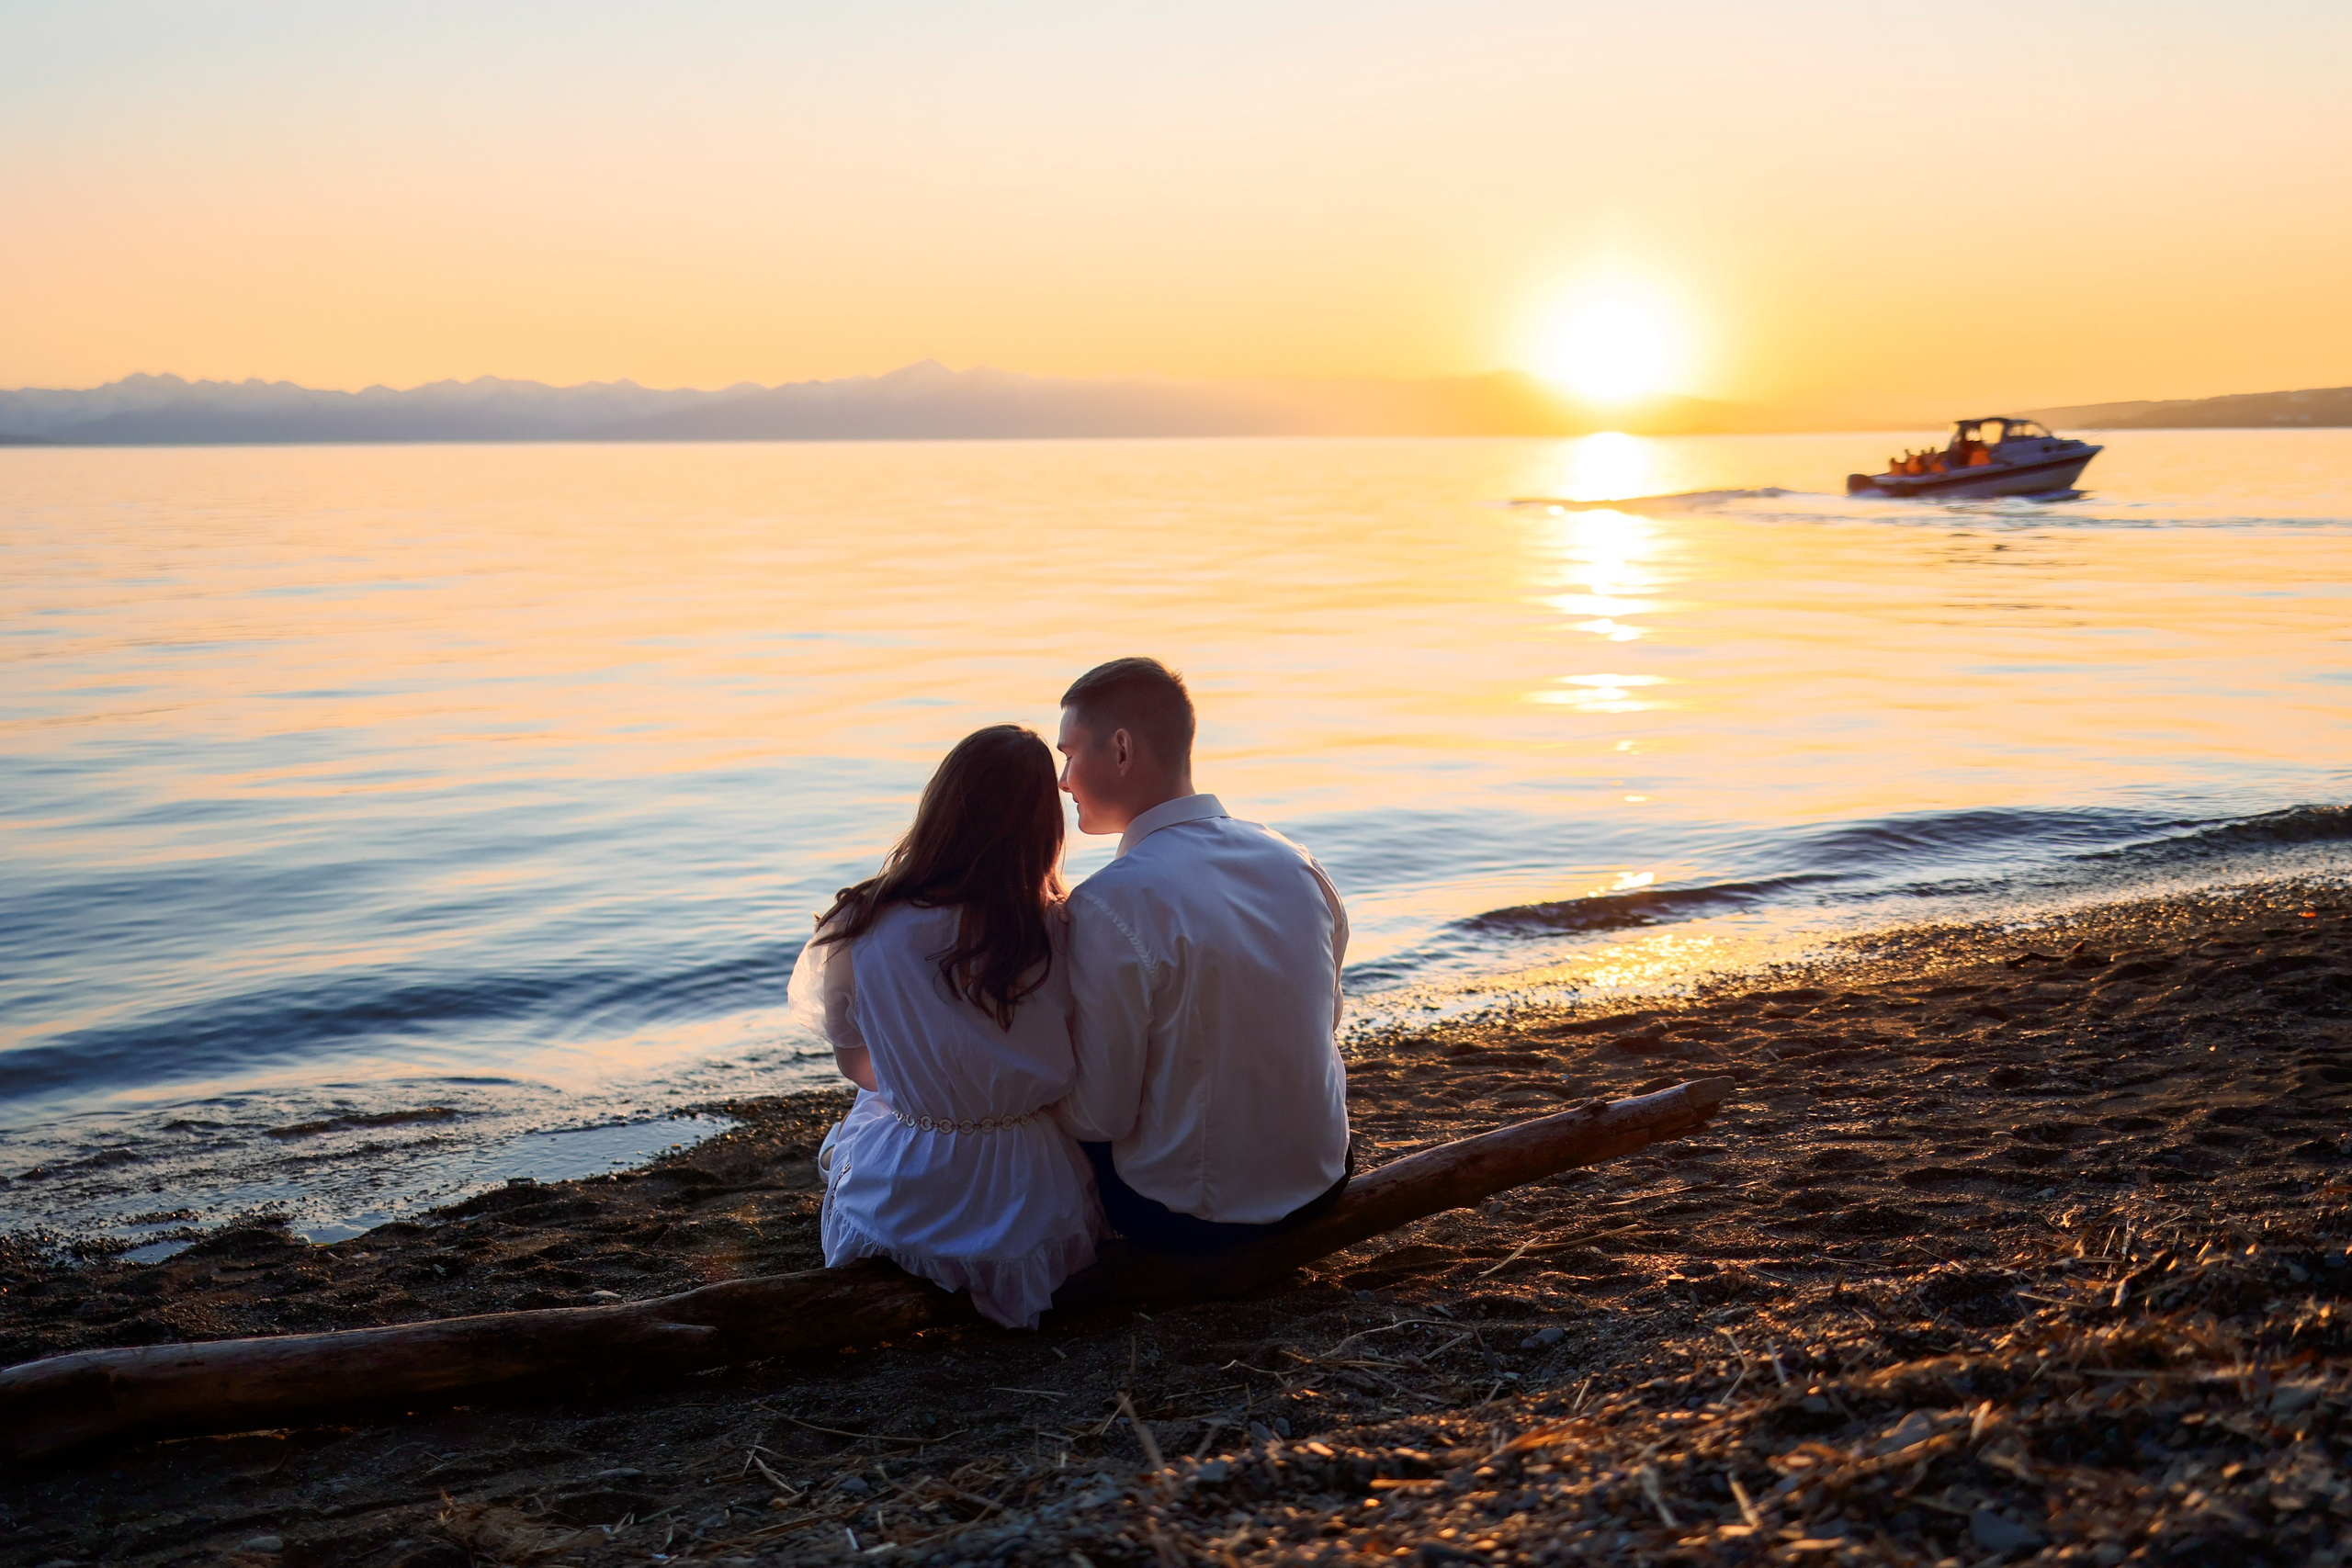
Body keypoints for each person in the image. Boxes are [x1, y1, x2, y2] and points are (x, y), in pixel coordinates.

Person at [786, 724, 1100, 1328]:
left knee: (868, 1112)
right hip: (1029, 1188)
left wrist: (926, 1083)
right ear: (1043, 828)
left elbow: (858, 1068)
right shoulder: (1063, 927)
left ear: (939, 806)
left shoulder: (860, 918)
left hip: (908, 1186)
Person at [1053, 657, 1353, 1254]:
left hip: (1193, 1216)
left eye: (1068, 753)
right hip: (1324, 1180)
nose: (1062, 780)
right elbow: (1325, 1018)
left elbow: (1102, 1118)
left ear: (1120, 749)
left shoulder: (1109, 903)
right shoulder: (1294, 860)